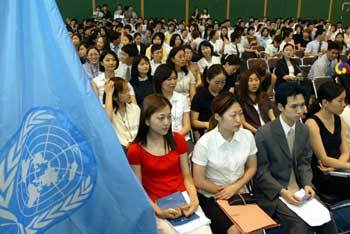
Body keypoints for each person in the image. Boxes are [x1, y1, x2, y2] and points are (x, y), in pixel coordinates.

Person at [253, 82, 337, 234]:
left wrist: (307, 184)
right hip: (275, 192)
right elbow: (261, 173)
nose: (300, 111)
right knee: (299, 227)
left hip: (299, 189)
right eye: (294, 106)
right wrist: (282, 192)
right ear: (280, 107)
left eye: (302, 105)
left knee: (327, 218)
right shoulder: (263, 134)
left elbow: (304, 163)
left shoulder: (303, 129)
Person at [127, 94, 212, 234]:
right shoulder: (135, 150)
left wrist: (194, 200)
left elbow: (187, 176)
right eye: (161, 118)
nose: (166, 122)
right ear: (147, 121)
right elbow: (139, 189)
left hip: (183, 198)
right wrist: (159, 211)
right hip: (157, 204)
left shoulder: (177, 139)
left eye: (169, 117)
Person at [192, 92, 257, 234]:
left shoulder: (247, 136)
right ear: (218, 117)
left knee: (254, 227)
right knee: (235, 231)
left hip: (240, 191)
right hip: (213, 196)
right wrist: (225, 191)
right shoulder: (205, 143)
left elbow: (252, 167)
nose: (239, 120)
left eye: (240, 114)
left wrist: (235, 187)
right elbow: (198, 181)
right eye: (233, 115)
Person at [305, 81, 350, 200]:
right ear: (325, 103)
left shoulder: (339, 119)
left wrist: (337, 168)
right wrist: (346, 166)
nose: (344, 104)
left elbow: (345, 152)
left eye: (344, 100)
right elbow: (323, 159)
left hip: (337, 169)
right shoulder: (312, 123)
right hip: (322, 174)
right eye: (340, 101)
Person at [153, 64, 192, 145]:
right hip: (160, 141)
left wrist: (173, 139)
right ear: (160, 80)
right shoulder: (153, 100)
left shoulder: (182, 98)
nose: (173, 82)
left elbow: (187, 127)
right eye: (169, 79)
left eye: (174, 78)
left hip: (181, 138)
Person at [104, 77, 140, 150]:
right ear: (115, 97)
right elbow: (107, 121)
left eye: (128, 90)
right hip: (118, 149)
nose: (129, 94)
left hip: (137, 147)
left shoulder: (135, 108)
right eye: (125, 91)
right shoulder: (106, 110)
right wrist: (109, 94)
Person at [191, 64, 226, 138]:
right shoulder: (199, 96)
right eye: (217, 83)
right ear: (208, 80)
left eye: (223, 82)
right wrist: (207, 124)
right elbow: (194, 122)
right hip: (206, 131)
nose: (220, 86)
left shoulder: (225, 95)